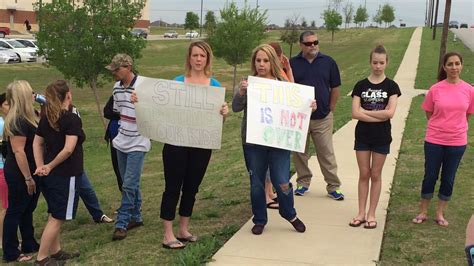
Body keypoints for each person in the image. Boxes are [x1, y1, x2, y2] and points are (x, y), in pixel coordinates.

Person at [132, 41, 229, 249]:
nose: (198, 60)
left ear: (207, 59)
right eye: (195, 55)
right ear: (189, 58)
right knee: (172, 188)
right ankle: (167, 234)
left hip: (201, 145)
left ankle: (183, 229)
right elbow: (160, 108)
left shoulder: (214, 86)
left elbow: (217, 122)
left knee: (191, 188)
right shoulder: (177, 82)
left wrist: (223, 114)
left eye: (202, 56)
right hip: (176, 145)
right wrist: (139, 100)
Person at [233, 44, 315, 235]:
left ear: (273, 62)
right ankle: (260, 219)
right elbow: (236, 107)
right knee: (256, 182)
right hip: (253, 143)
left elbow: (297, 108)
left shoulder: (283, 85)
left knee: (282, 181)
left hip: (278, 142)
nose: (261, 64)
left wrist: (309, 106)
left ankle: (290, 214)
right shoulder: (248, 83)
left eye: (266, 60)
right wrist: (241, 92)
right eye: (258, 60)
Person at [412, 52, 474, 227]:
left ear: (461, 66)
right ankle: (423, 211)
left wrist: (455, 127)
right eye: (450, 64)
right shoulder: (435, 89)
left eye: (457, 64)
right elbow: (429, 113)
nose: (454, 67)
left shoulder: (469, 90)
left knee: (448, 178)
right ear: (444, 67)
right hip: (434, 140)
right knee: (430, 176)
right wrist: (441, 126)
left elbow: (468, 113)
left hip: (457, 142)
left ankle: (440, 213)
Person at [348, 45, 401, 229]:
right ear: (370, 62)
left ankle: (371, 214)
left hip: (382, 137)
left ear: (387, 63)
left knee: (375, 174)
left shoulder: (392, 86)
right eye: (375, 62)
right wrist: (378, 114)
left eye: (381, 62)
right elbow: (355, 113)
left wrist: (366, 112)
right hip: (362, 136)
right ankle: (361, 213)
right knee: (364, 174)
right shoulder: (360, 86)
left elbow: (390, 113)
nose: (378, 66)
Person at [33, 80, 83, 265]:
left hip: (49, 175)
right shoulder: (71, 119)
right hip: (65, 174)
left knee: (53, 212)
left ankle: (55, 251)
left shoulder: (46, 118)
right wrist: (49, 166)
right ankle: (42, 258)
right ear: (68, 95)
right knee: (58, 217)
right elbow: (69, 149)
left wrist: (41, 166)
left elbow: (37, 143)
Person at [290, 31, 344, 199]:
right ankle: (303, 182)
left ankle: (333, 186)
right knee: (300, 152)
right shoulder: (292, 64)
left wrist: (331, 108)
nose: (312, 45)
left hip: (322, 117)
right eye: (308, 43)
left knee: (326, 152)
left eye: (315, 42)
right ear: (301, 45)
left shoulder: (328, 62)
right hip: (300, 118)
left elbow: (335, 87)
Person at [106, 54, 151, 241]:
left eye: (117, 69)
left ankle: (121, 223)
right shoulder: (116, 88)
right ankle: (136, 216)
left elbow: (154, 113)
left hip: (138, 142)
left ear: (128, 67)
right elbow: (118, 112)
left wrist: (141, 104)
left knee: (129, 184)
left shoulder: (144, 86)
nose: (114, 73)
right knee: (129, 182)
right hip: (121, 140)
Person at [2, 81, 40, 263]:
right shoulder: (17, 120)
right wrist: (28, 178)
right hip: (20, 172)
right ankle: (10, 251)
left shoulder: (28, 116)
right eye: (30, 92)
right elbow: (19, 151)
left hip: (32, 169)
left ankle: (29, 242)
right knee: (16, 209)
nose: (34, 94)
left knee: (28, 208)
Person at [103, 95, 122, 192]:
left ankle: (134, 203)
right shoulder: (115, 95)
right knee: (118, 169)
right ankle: (125, 198)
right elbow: (106, 112)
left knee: (128, 173)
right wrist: (120, 114)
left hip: (130, 138)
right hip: (114, 137)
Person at [0, 93, 8, 248]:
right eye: (7, 104)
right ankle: (3, 240)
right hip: (3, 169)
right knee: (7, 206)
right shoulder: (3, 124)